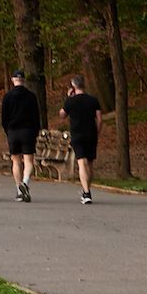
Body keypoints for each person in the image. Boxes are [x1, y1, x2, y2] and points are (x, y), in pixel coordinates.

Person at [0, 69, 40, 202]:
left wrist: (8, 130)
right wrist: (35, 131)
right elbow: (36, 116)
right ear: (24, 80)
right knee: (28, 161)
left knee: (15, 161)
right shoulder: (31, 96)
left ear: (12, 80)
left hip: (13, 131)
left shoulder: (7, 97)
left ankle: (18, 190)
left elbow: (4, 117)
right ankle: (25, 183)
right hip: (28, 131)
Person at [61, 75, 102, 205]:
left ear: (73, 87)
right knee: (89, 163)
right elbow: (99, 119)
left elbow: (62, 114)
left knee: (82, 163)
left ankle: (86, 192)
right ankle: (87, 190)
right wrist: (97, 132)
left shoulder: (70, 101)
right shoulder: (93, 100)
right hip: (91, 134)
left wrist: (68, 97)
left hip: (77, 134)